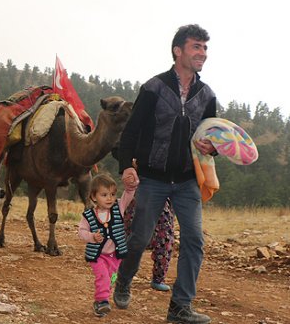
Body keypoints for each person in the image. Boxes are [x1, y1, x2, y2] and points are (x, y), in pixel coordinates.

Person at [113, 24, 217, 324]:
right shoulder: (154, 88)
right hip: (153, 179)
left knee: (195, 240)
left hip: (187, 181)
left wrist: (212, 148)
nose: (203, 53)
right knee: (139, 238)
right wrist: (127, 167)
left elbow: (212, 138)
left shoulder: (207, 94)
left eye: (205, 48)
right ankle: (123, 280)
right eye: (196, 46)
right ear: (178, 51)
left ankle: (180, 306)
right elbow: (131, 133)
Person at [78, 174, 136, 317]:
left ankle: (102, 303)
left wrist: (131, 185)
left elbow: (128, 194)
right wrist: (91, 237)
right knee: (103, 276)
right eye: (104, 195)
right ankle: (101, 301)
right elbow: (81, 232)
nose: (109, 198)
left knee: (111, 279)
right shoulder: (89, 215)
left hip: (115, 256)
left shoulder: (118, 208)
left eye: (112, 194)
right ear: (93, 197)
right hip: (98, 255)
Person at [124, 198, 175, 292]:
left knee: (164, 240)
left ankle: (158, 279)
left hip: (164, 200)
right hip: (141, 196)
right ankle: (122, 278)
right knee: (131, 240)